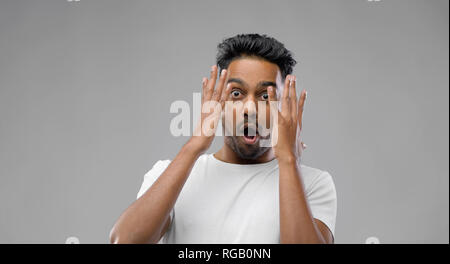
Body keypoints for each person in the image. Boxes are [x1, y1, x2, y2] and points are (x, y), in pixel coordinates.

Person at [109, 33, 337, 244]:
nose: (250, 108)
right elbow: (125, 241)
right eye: (236, 93)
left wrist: (288, 160)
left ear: (285, 105)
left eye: (266, 96)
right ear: (217, 101)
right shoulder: (169, 175)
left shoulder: (313, 183)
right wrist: (194, 146)